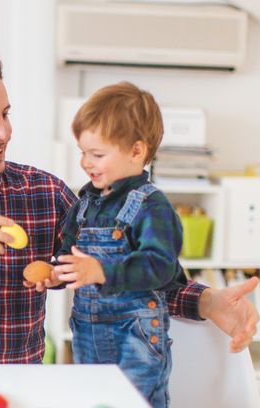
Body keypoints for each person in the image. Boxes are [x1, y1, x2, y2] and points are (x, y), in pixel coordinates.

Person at [0, 45, 258, 364]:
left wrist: (208, 301)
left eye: (5, 113)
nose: (4, 132)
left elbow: (124, 271)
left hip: (26, 394)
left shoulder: (45, 194)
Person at [35, 81, 181, 406]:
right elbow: (67, 252)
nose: (86, 163)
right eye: (83, 153)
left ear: (136, 151)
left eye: (97, 154)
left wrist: (100, 270)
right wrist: (58, 274)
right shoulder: (84, 201)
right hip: (87, 329)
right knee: (94, 400)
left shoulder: (151, 205)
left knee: (131, 402)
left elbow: (161, 267)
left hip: (136, 333)